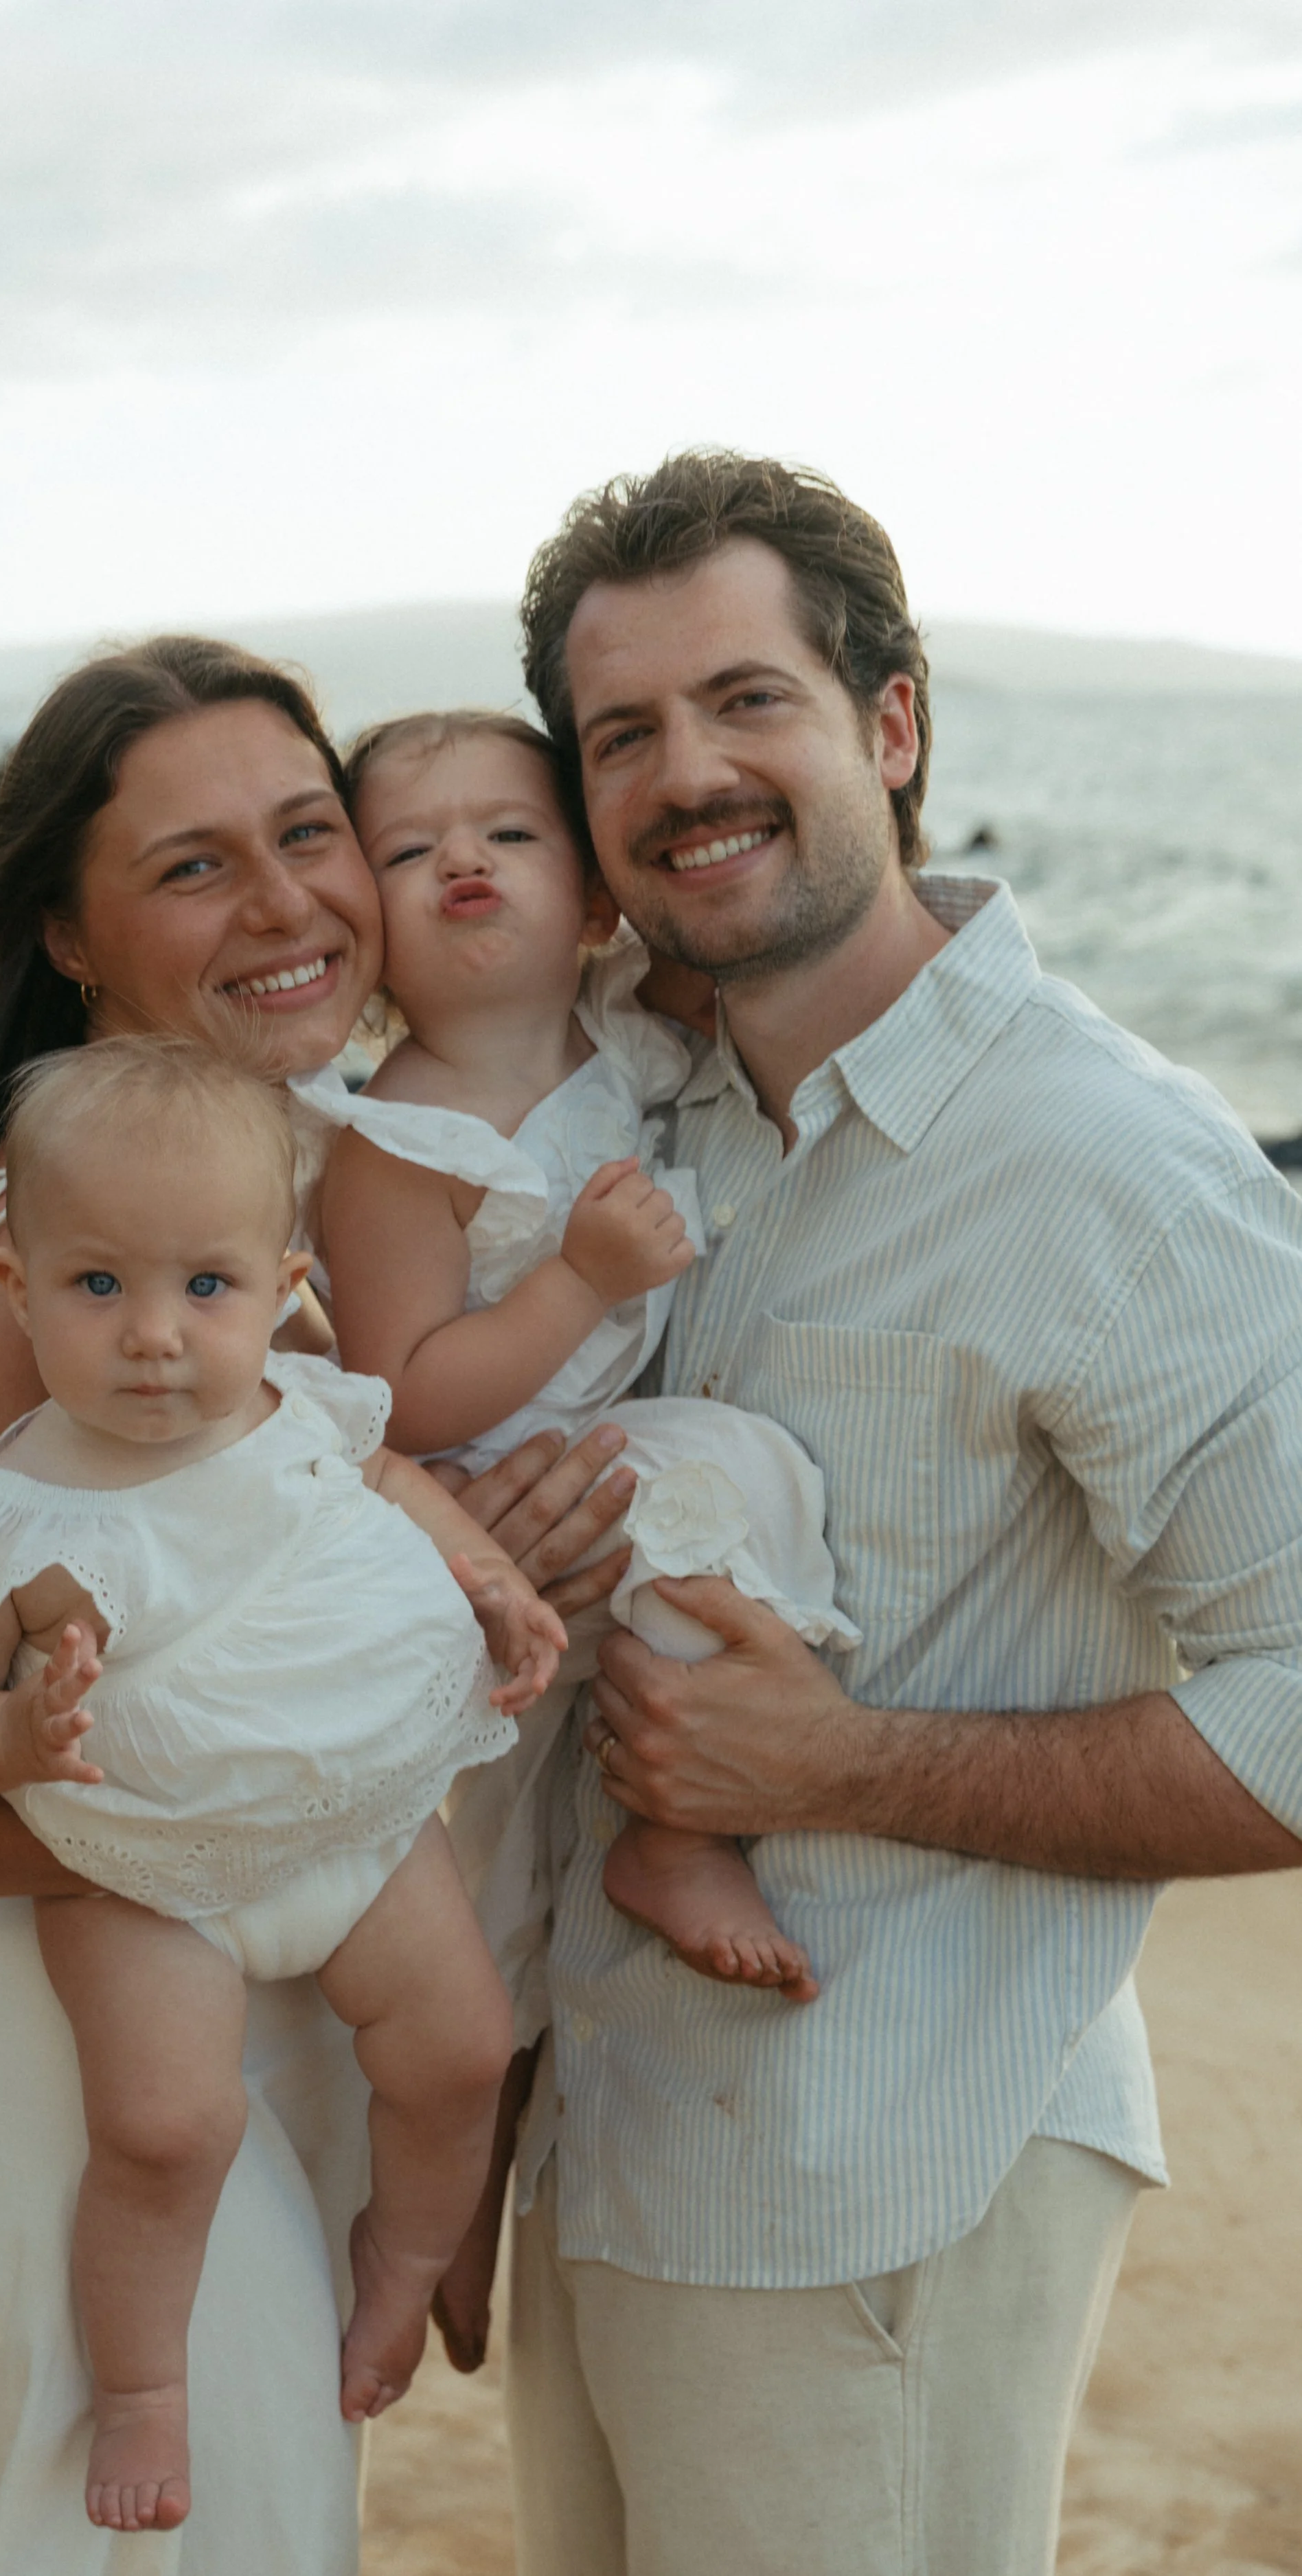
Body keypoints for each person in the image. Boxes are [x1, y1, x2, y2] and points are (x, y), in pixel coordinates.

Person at [460, 449, 1302, 2576]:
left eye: (750, 698)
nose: (684, 773)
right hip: (615, 2143)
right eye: (622, 731)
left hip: (882, 2179)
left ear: (892, 723)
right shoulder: (643, 1108)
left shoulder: (1098, 1162)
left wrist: (841, 1763)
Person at [0, 635, 637, 2576]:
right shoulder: (56, 1250)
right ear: (68, 938)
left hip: (210, 2062)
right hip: (79, 2109)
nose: (287, 905)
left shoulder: (234, 1240)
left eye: (311, 832)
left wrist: (454, 1590)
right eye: (190, 867)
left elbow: (248, 1582)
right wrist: (330, 1802)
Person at [0, 1032, 561, 2532]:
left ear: (283, 1286)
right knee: (166, 2131)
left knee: (460, 2052)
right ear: (17, 1290)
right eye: (98, 1285)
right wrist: (6, 1742)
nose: (152, 1338)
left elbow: (400, 1488)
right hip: (143, 1877)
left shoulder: (303, 1413)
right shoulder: (4, 1508)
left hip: (358, 1826)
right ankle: (144, 2390)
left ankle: (396, 2258)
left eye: (205, 1287)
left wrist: (493, 1582)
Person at [302, 709, 858, 2010]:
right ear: (365, 927)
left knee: (507, 1896)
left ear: (596, 900)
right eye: (409, 850)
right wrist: (578, 1282)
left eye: (509, 832)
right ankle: (676, 1837)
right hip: (491, 1485)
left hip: (585, 1452)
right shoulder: (400, 1139)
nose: (463, 863)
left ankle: (641, 1820)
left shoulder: (617, 1035)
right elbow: (401, 1393)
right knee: (734, 1468)